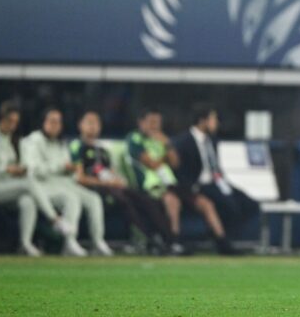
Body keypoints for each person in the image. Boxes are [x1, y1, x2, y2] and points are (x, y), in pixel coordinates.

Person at [70, 110, 176, 254]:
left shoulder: (102, 149)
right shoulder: (76, 146)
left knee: (144, 199)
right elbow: (80, 178)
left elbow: (110, 172)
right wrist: (107, 183)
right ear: (80, 125)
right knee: (124, 200)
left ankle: (168, 240)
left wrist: (119, 180)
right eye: (89, 122)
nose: (93, 126)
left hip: (109, 186)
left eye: (96, 123)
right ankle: (148, 239)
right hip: (91, 188)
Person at [21, 107, 113, 256]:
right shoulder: (33, 141)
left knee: (93, 199)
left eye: (58, 122)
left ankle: (98, 241)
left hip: (62, 183)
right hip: (42, 185)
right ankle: (69, 241)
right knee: (71, 198)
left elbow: (68, 170)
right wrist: (60, 167)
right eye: (52, 121)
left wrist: (70, 170)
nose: (55, 125)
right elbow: (33, 170)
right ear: (43, 122)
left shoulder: (61, 143)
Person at [0, 102, 73, 256]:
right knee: (28, 183)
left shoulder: (11, 138)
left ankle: (25, 244)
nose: (12, 126)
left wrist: (18, 170)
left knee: (27, 200)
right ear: (0, 118)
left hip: (4, 186)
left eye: (15, 122)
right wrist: (7, 169)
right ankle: (55, 220)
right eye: (10, 121)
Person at [172, 104, 259, 255]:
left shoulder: (211, 141)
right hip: (198, 186)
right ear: (202, 121)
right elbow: (180, 170)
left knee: (249, 204)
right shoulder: (184, 142)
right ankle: (222, 242)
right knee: (229, 206)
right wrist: (191, 188)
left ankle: (221, 236)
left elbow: (215, 167)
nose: (216, 123)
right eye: (213, 119)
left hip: (217, 183)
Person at [126, 108, 187, 255]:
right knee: (167, 200)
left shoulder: (161, 140)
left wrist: (167, 144)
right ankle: (169, 240)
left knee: (174, 199)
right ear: (141, 122)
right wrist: (164, 159)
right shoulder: (135, 138)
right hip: (145, 185)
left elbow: (175, 163)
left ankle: (174, 240)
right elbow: (151, 164)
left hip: (166, 184)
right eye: (151, 122)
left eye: (158, 123)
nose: (155, 126)